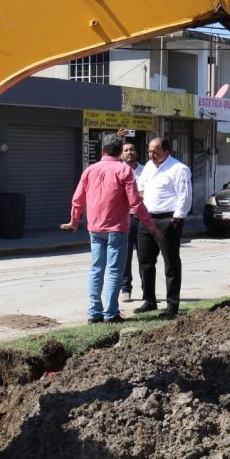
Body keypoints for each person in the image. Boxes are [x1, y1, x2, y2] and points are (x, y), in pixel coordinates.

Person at [60, 134, 162, 324]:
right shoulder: (124, 171)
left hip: (95, 227)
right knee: (114, 270)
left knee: (96, 269)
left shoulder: (90, 170)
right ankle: (111, 313)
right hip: (116, 228)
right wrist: (149, 223)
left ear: (103, 150)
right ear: (120, 152)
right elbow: (135, 203)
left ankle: (94, 313)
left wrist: (74, 221)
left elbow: (77, 198)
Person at [134, 137, 191, 320]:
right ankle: (149, 300)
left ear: (166, 151)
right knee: (145, 262)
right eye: (150, 151)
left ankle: (172, 306)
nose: (151, 155)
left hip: (168, 219)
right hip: (147, 218)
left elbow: (185, 195)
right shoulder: (149, 167)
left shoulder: (178, 169)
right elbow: (141, 188)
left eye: (155, 151)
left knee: (171, 264)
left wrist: (177, 219)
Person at [119, 141, 143, 303]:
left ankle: (147, 290)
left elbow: (147, 192)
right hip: (125, 219)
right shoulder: (118, 170)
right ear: (121, 154)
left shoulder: (146, 170)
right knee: (125, 257)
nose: (129, 152)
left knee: (145, 256)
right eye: (126, 150)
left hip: (141, 218)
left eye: (132, 149)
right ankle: (126, 289)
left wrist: (133, 196)